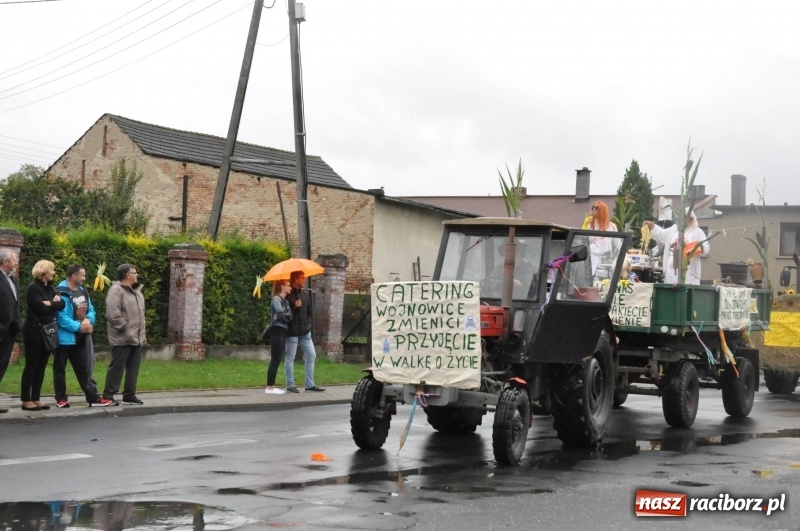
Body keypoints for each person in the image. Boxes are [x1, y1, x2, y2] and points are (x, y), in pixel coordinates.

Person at [54, 264, 114, 407]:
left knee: (84, 369)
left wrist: (88, 320)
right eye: (82, 275)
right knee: (60, 369)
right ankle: (61, 399)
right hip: (64, 339)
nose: (85, 277)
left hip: (80, 338)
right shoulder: (61, 292)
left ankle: (93, 397)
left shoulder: (83, 292)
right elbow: (61, 318)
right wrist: (80, 327)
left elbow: (91, 310)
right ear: (74, 276)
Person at [21, 260, 65, 411]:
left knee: (42, 364)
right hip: (34, 330)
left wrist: (49, 303)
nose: (53, 272)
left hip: (48, 330)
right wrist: (52, 303)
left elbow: (61, 305)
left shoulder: (50, 288)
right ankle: (26, 399)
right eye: (51, 270)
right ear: (44, 271)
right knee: (32, 364)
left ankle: (36, 397)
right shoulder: (33, 288)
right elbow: (38, 307)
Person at [103, 264, 146, 405]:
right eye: (135, 272)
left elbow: (141, 315)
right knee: (117, 367)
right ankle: (108, 396)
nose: (137, 274)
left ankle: (129, 394)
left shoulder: (137, 291)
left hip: (136, 338)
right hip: (122, 337)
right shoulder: (116, 290)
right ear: (127, 275)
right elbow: (112, 313)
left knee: (133, 368)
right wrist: (124, 328)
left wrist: (142, 333)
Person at [284, 271, 325, 393]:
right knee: (290, 357)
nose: (304, 280)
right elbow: (283, 313)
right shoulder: (287, 295)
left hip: (304, 331)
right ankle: (290, 384)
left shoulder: (305, 295)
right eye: (302, 278)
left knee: (311, 355)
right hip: (292, 331)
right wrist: (293, 306)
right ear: (295, 279)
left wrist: (308, 323)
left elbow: (309, 312)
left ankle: (309, 384)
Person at [645, 212, 710, 284]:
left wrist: (699, 246)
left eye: (690, 218)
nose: (688, 219)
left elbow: (706, 247)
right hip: (671, 268)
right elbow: (662, 234)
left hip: (689, 269)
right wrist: (653, 226)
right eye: (685, 217)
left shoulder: (697, 231)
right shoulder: (674, 229)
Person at [0, 249, 21, 414]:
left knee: (2, 365)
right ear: (5, 261)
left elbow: (15, 304)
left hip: (9, 332)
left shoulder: (12, 279)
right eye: (14, 260)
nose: (16, 263)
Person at [265, 279, 293, 395]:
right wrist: (284, 316)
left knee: (278, 358)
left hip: (283, 330)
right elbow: (281, 315)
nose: (290, 287)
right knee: (275, 359)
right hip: (276, 330)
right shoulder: (276, 299)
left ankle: (272, 386)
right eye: (288, 285)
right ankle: (270, 387)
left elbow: (290, 316)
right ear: (282, 287)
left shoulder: (285, 301)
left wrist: (284, 316)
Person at [586, 201, 618, 275]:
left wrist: (624, 255)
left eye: (596, 208)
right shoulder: (589, 225)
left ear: (602, 210)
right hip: (591, 258)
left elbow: (618, 243)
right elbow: (584, 241)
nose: (593, 209)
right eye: (593, 207)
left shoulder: (611, 226)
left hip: (606, 260)